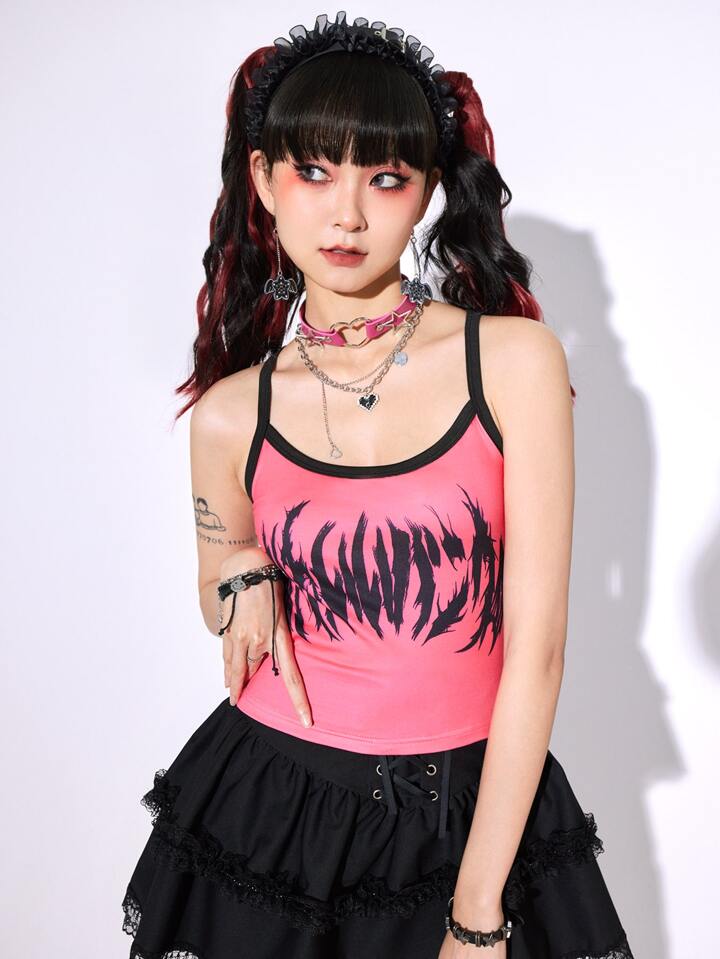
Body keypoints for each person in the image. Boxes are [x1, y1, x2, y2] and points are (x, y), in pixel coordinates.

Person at [121, 11, 635, 959]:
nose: (348, 214)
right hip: (272, 813)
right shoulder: (230, 413)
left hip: (471, 817)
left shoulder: (512, 362)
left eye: (386, 178)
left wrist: (476, 911)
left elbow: (539, 649)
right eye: (315, 172)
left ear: (428, 189)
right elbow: (216, 584)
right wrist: (240, 570)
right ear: (263, 181)